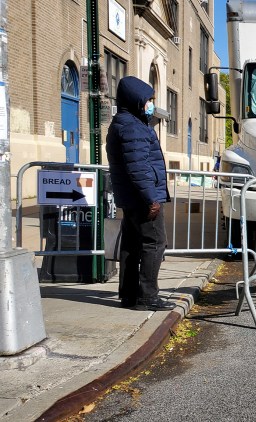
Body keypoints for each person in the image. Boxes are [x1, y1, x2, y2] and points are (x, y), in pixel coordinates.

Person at [106, 76, 175, 311]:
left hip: (131, 198)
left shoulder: (124, 123)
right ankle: (148, 297)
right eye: (148, 100)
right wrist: (151, 199)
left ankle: (129, 295)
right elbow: (139, 167)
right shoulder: (133, 127)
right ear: (136, 100)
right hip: (142, 198)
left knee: (132, 245)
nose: (150, 104)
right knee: (155, 243)